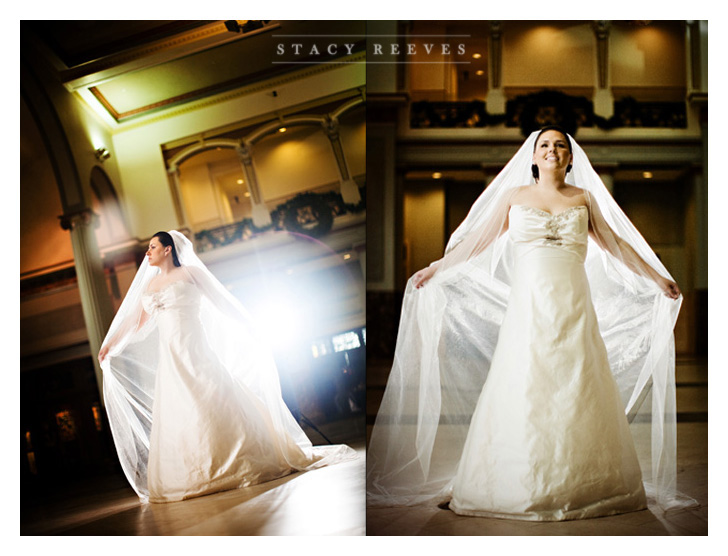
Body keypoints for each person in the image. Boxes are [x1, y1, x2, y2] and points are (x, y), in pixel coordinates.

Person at [366, 127, 694, 520]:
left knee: (578, 383)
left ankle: (585, 481)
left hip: (574, 303)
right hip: (529, 306)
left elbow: (616, 245)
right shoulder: (514, 197)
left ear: (571, 158)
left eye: (560, 145)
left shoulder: (584, 198)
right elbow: (478, 241)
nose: (552, 150)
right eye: (544, 145)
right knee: (524, 381)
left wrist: (657, 277)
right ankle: (512, 478)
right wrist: (437, 267)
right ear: (533, 156)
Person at [99, 230, 354, 503]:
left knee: (213, 396)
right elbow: (134, 323)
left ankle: (237, 461)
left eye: (152, 247)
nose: (147, 253)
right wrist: (111, 345)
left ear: (168, 249)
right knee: (178, 408)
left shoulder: (191, 274)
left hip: (195, 349)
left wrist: (252, 328)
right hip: (170, 358)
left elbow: (222, 303)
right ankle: (194, 472)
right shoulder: (149, 287)